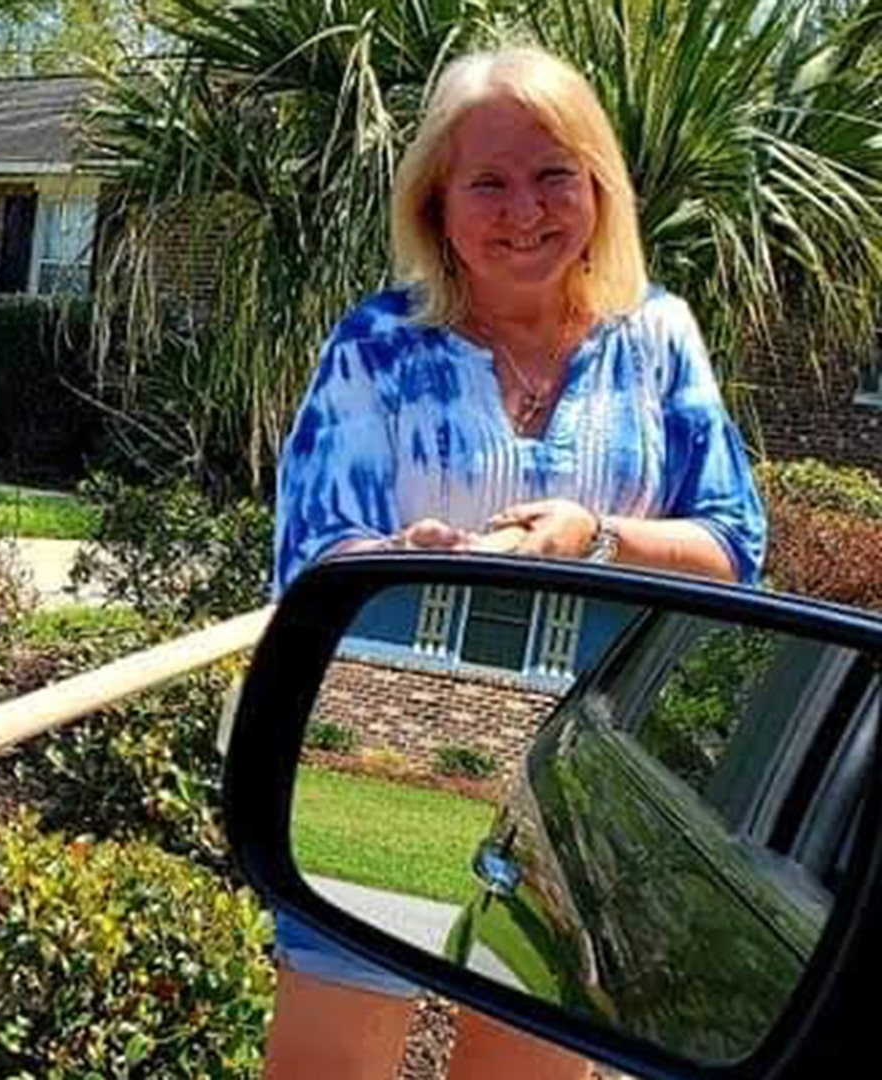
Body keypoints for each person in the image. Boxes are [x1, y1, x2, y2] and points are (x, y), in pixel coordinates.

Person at [265, 45, 768, 1080]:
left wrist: (599, 536)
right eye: (487, 182)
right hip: (361, 765)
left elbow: (733, 547)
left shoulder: (659, 339)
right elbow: (311, 557)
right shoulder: (377, 346)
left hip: (586, 802)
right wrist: (401, 559)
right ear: (438, 205)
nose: (523, 208)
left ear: (598, 187)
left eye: (554, 176)